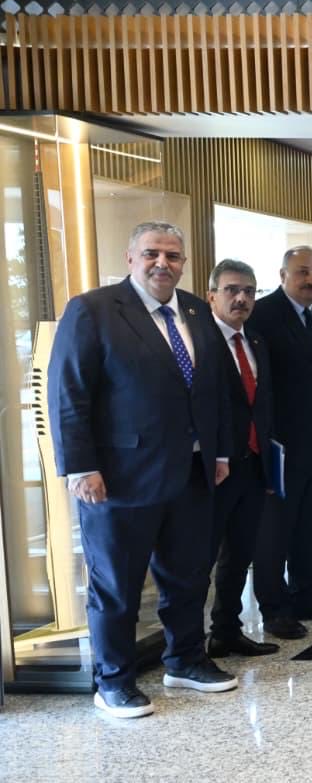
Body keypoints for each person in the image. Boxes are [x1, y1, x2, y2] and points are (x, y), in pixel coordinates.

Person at [48, 221, 237, 718]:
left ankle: (186, 660)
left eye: (173, 256)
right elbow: (69, 393)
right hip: (119, 478)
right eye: (152, 253)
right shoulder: (93, 310)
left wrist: (218, 453)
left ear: (184, 264)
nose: (162, 264)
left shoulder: (195, 310)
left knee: (188, 577)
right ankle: (113, 681)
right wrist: (80, 467)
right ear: (130, 258)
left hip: (192, 472)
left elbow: (214, 390)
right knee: (117, 587)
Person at [249, 247, 312, 639]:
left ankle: (307, 594)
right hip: (281, 446)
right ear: (282, 274)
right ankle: (275, 608)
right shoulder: (263, 315)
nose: (311, 280)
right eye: (303, 272)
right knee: (276, 531)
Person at [203, 259, 278, 659]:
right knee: (202, 558)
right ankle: (188, 645)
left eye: (249, 291)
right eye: (232, 290)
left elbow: (262, 406)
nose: (241, 299)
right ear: (212, 295)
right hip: (214, 467)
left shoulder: (256, 342)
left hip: (252, 464)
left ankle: (226, 631)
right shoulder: (201, 342)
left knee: (239, 554)